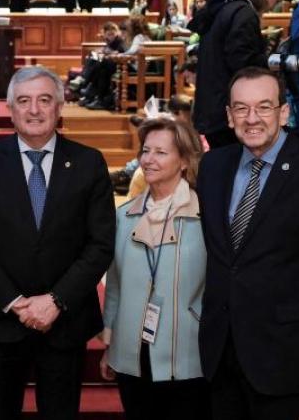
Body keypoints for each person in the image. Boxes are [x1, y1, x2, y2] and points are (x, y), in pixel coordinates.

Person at [196, 67, 299, 419]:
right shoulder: (212, 166)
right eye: (241, 108)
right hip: (220, 348)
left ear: (284, 112)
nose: (251, 118)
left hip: (284, 350)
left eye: (264, 107)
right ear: (228, 116)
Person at [0, 66, 115, 420]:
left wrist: (56, 301)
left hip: (65, 321)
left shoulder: (89, 163)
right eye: (24, 101)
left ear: (59, 107)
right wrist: (14, 302)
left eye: (45, 100)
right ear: (11, 109)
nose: (34, 110)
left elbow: (100, 243)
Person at [100, 118, 209, 420]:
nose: (148, 159)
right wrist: (110, 344)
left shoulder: (207, 217)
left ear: (185, 161)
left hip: (188, 353)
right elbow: (116, 285)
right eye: (145, 151)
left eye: (160, 152)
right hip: (132, 352)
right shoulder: (124, 216)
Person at [190, 0, 290, 148]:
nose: (274, 5)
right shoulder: (244, 13)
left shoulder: (227, 6)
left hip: (212, 107)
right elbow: (243, 64)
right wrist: (272, 61)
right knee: (234, 169)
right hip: (226, 110)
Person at [82, 17, 149, 111]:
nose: (125, 30)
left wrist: (116, 54)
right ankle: (92, 91)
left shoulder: (139, 37)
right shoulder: (132, 37)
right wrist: (107, 52)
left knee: (103, 62)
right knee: (95, 57)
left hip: (134, 66)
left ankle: (89, 88)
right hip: (126, 62)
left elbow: (131, 52)